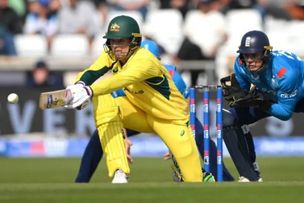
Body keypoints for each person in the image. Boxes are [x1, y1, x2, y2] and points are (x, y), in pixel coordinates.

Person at [64, 15, 203, 183]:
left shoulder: (145, 60)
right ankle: (119, 172)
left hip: (170, 120)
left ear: (134, 41)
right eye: (112, 41)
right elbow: (93, 71)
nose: (115, 46)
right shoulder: (113, 54)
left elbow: (119, 80)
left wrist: (88, 91)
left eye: (121, 41)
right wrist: (79, 85)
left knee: (194, 179)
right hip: (139, 112)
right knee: (104, 101)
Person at [74, 39, 234, 183]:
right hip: (140, 114)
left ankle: (223, 179)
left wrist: (172, 142)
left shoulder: (172, 77)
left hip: (168, 117)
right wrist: (121, 135)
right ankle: (81, 182)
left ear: (158, 61)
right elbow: (114, 105)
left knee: (200, 135)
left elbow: (182, 110)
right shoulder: (126, 72)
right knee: (101, 132)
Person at [220, 30, 304, 182]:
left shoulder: (286, 72)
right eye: (245, 55)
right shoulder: (240, 65)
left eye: (254, 55)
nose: (249, 60)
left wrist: (259, 101)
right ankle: (250, 177)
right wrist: (237, 97)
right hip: (273, 93)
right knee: (227, 118)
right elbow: (242, 93)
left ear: (266, 53)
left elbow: (285, 112)